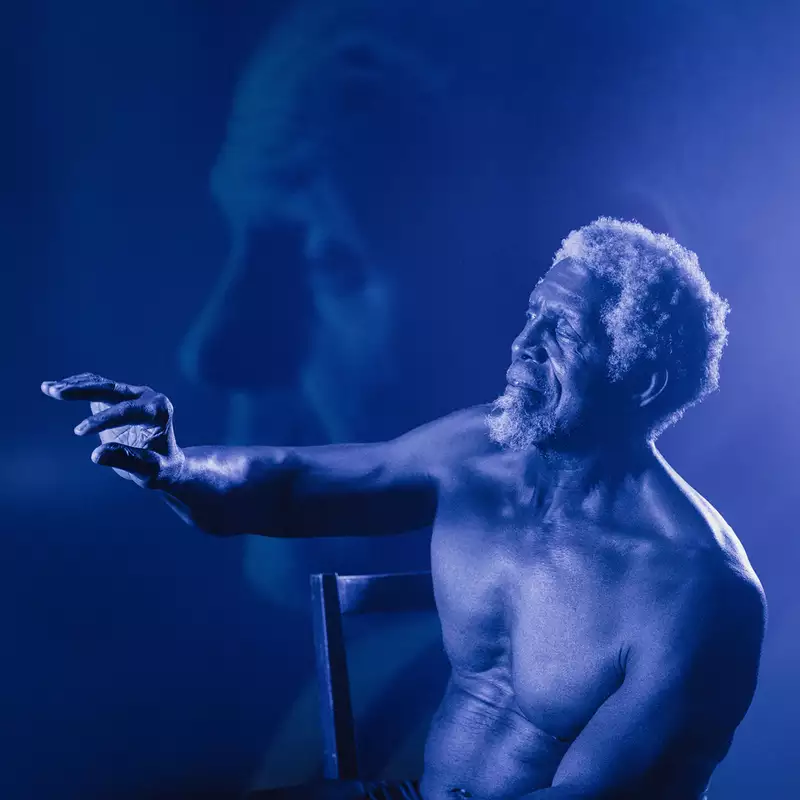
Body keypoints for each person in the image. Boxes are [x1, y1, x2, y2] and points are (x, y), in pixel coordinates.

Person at [42, 218, 765, 799]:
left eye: (563, 333)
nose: (523, 344)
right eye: (533, 314)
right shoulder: (483, 449)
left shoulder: (696, 591)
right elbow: (292, 483)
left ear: (641, 382)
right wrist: (175, 466)